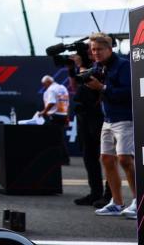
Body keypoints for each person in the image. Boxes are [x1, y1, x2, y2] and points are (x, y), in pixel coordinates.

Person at [85, 33, 136, 218]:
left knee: (125, 160)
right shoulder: (99, 66)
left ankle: (138, 202)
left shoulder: (123, 65)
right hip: (108, 119)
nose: (95, 53)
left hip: (125, 118)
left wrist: (102, 88)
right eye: (93, 49)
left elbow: (129, 92)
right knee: (106, 159)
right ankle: (116, 202)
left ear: (109, 48)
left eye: (99, 49)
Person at [69, 47, 108, 206]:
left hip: (100, 115)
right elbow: (74, 87)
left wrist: (81, 66)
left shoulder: (102, 67)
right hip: (84, 115)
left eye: (95, 50)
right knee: (88, 155)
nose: (93, 53)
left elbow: (93, 81)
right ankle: (95, 192)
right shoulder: (84, 67)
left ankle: (109, 195)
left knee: (107, 156)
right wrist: (72, 70)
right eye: (91, 50)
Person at [40, 74, 70, 165]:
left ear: (48, 82)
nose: (44, 86)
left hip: (55, 116)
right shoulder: (63, 88)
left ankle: (63, 159)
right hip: (63, 115)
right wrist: (67, 116)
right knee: (60, 137)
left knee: (56, 138)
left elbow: (51, 102)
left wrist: (44, 112)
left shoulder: (51, 89)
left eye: (44, 84)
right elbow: (67, 103)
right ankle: (64, 159)